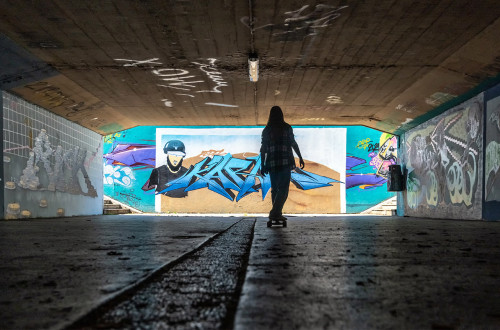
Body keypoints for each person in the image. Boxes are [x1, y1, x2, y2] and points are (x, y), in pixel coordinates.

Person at [260, 106, 305, 221]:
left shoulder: (267, 130)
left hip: (272, 163)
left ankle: (277, 213)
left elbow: (263, 149)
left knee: (275, 189)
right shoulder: (286, 127)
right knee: (284, 189)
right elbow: (293, 144)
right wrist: (300, 156)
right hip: (285, 162)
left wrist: (262, 164)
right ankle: (275, 212)